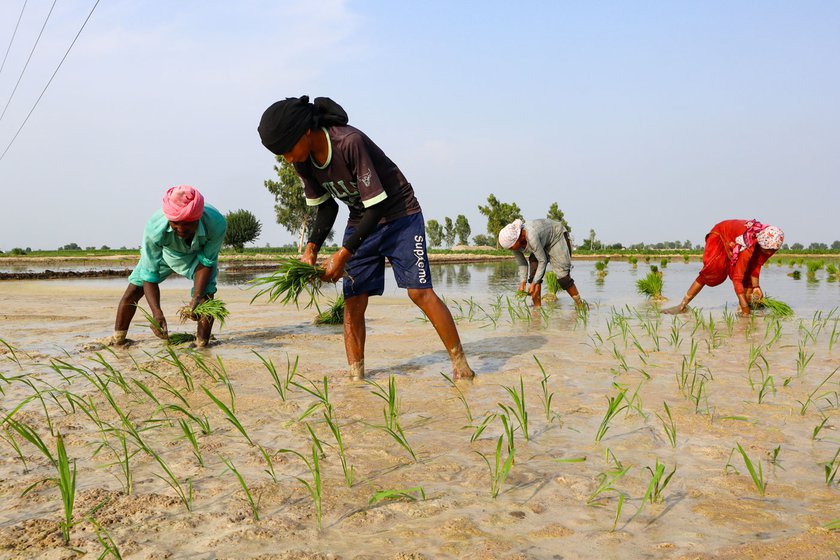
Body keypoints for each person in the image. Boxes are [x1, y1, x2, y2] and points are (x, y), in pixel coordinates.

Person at [257, 95, 474, 380]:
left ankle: (461, 367)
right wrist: (311, 249)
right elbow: (326, 207)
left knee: (419, 292)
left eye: (286, 149)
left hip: (400, 216)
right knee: (354, 300)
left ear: (305, 132)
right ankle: (356, 377)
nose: (287, 158)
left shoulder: (349, 142)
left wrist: (342, 255)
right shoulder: (303, 163)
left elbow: (379, 205)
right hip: (361, 219)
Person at [112, 185, 227, 346]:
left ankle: (201, 344)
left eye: (186, 224)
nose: (180, 229)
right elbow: (149, 273)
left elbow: (207, 262)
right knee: (133, 291)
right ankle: (118, 340)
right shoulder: (154, 227)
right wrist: (156, 313)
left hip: (196, 256)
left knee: (206, 296)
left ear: (197, 218)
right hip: (166, 254)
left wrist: (197, 296)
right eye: (175, 224)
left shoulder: (216, 223)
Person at [662, 219, 783, 316]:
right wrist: (747, 307)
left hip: (737, 239)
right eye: (768, 250)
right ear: (761, 243)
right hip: (721, 235)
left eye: (773, 250)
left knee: (748, 279)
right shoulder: (749, 245)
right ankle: (682, 305)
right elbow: (737, 278)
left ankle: (742, 312)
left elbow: (757, 265)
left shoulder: (770, 244)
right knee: (712, 271)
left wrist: (756, 286)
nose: (769, 253)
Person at [498, 218, 585, 308]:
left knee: (563, 277)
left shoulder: (531, 236)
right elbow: (522, 263)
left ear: (518, 238)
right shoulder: (514, 244)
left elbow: (542, 261)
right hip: (542, 243)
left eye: (511, 247)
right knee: (534, 274)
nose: (511, 250)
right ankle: (537, 310)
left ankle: (580, 305)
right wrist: (522, 283)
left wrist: (534, 284)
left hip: (556, 237)